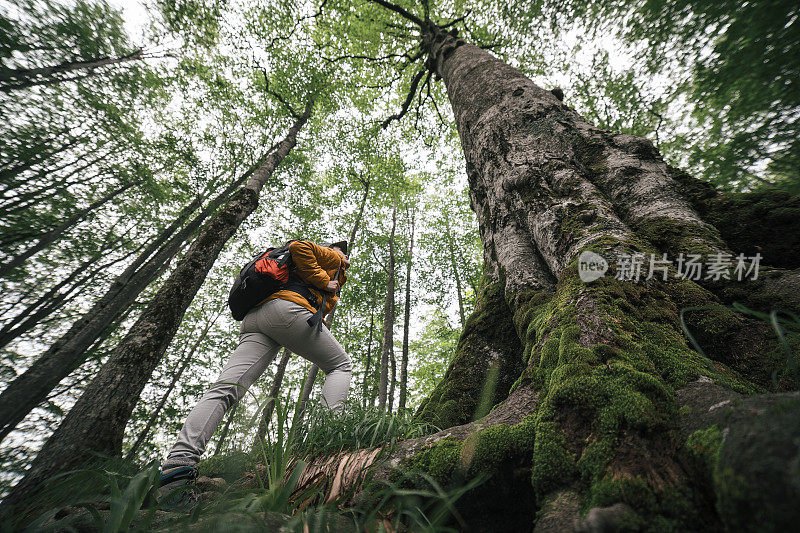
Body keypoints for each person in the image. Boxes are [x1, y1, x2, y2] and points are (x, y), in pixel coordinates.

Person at [157, 239, 352, 504]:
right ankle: (324, 443)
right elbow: (299, 247)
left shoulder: (319, 269)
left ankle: (176, 470)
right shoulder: (332, 257)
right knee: (340, 366)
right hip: (286, 312)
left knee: (226, 388)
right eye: (344, 252)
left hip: (258, 318)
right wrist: (327, 274)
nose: (345, 257)